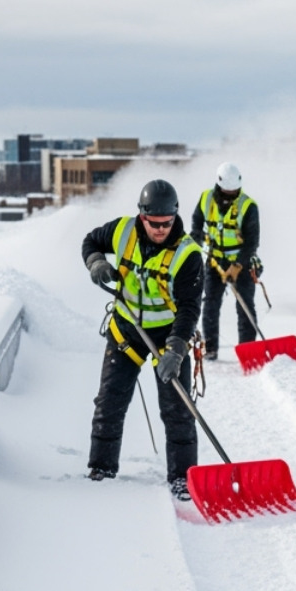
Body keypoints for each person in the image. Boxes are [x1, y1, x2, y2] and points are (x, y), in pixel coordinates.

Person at [81, 179, 204, 500]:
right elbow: (90, 241)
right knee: (110, 401)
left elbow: (190, 308)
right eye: (154, 223)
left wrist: (177, 350)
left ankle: (182, 478)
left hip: (168, 335)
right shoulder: (122, 231)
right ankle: (102, 469)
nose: (161, 229)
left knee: (178, 409)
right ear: (142, 216)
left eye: (167, 223)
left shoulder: (188, 253)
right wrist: (96, 262)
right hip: (126, 331)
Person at [190, 162, 260, 360]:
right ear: (219, 185)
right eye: (227, 191)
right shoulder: (206, 199)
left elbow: (252, 241)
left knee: (245, 305)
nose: (231, 194)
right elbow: (196, 227)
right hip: (215, 261)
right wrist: (195, 246)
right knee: (210, 304)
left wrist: (237, 266)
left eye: (234, 191)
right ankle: (210, 349)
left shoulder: (248, 206)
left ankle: (248, 351)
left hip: (242, 262)